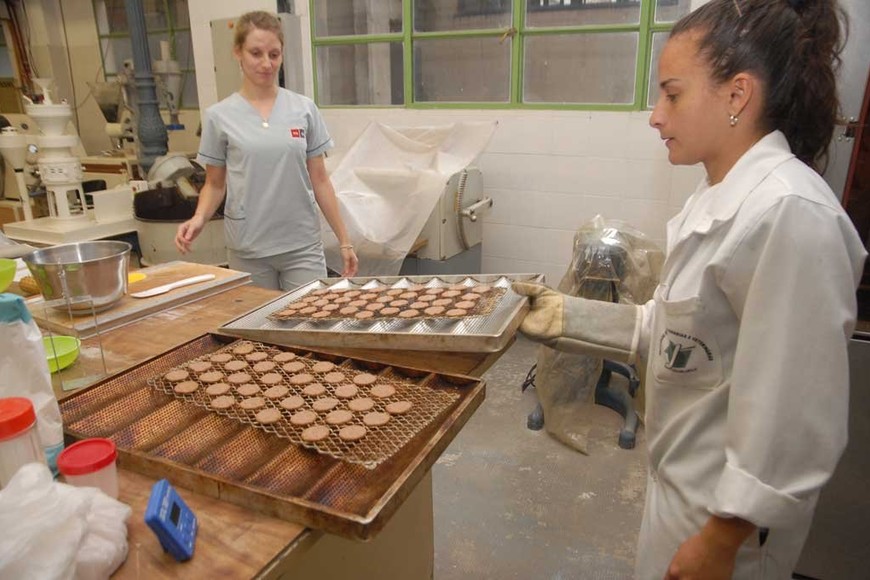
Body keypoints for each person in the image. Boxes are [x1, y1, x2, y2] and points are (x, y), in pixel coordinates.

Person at [512, 0, 867, 578]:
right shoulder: (716, 198)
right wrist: (568, 317)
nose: (656, 115)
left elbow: (795, 415)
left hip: (731, 527)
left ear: (736, 95)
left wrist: (721, 540)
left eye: (672, 94)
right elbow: (681, 333)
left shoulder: (789, 216)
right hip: (682, 491)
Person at [175, 10, 358, 290]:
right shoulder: (219, 117)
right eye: (256, 53)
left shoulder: (304, 109)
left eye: (274, 54)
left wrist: (344, 240)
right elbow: (214, 184)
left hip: (301, 245)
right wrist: (199, 218)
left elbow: (320, 180)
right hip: (249, 248)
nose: (266, 63)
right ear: (238, 52)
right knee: (257, 329)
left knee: (306, 325)